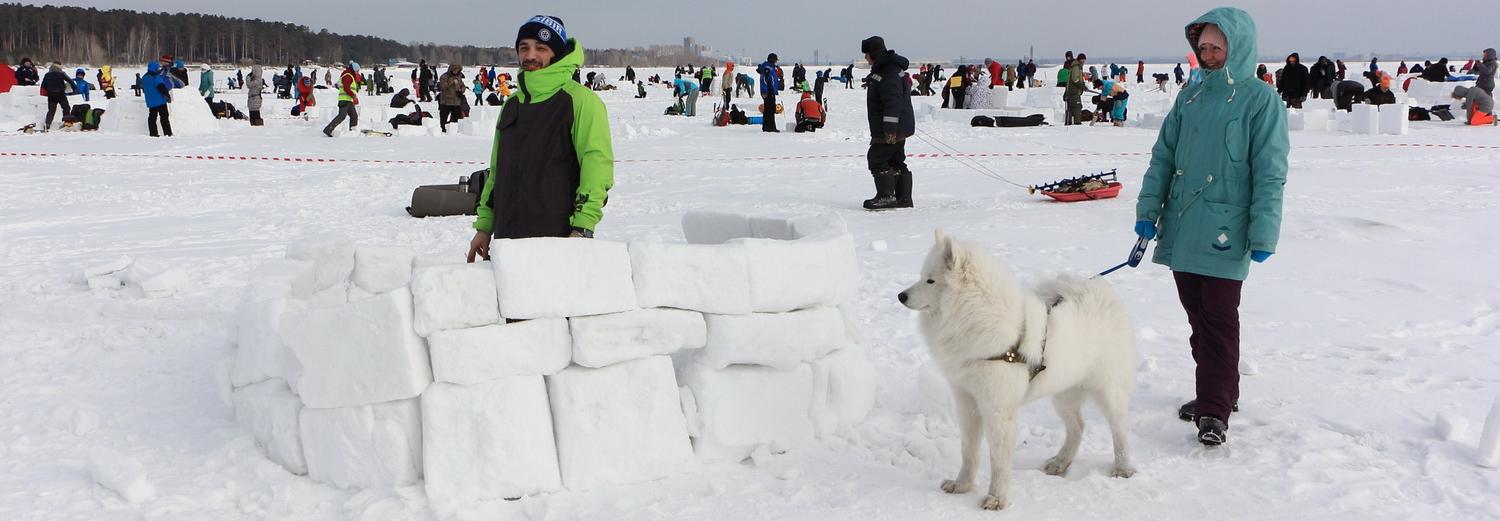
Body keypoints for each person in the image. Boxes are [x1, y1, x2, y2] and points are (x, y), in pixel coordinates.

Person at [1134, 7, 1288, 447]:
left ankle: (1214, 411)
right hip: (1183, 224)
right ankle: (1220, 391)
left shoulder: (1261, 99)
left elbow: (1271, 170)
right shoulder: (1191, 96)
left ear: (1236, 49)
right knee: (1198, 317)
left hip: (1228, 228)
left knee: (1219, 319)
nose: (1208, 54)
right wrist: (1148, 212)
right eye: (1202, 47)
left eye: (1216, 47)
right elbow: (1163, 156)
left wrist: (1263, 231)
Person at [466, 14, 615, 261]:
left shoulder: (581, 101)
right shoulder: (511, 104)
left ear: (556, 53)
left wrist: (582, 227)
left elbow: (596, 167)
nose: (530, 55)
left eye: (541, 48)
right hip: (507, 240)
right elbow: (497, 171)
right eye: (524, 48)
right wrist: (484, 227)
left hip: (558, 241)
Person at [859, 36, 916, 211]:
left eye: (866, 54)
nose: (865, 58)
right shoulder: (887, 68)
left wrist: (889, 130)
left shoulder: (888, 71)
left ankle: (886, 197)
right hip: (900, 126)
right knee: (896, 160)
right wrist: (872, 81)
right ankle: (903, 198)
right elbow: (888, 87)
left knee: (877, 159)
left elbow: (893, 101)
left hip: (891, 128)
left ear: (873, 53)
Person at [322, 62, 363, 136]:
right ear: (353, 69)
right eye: (357, 71)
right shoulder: (348, 75)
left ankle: (353, 132)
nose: (357, 72)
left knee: (354, 116)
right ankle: (328, 129)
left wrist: (353, 96)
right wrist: (353, 95)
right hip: (344, 99)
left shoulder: (350, 75)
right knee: (342, 116)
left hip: (348, 100)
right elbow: (346, 88)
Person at [140, 61, 180, 137]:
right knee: (164, 116)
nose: (159, 69)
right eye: (158, 68)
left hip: (150, 101)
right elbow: (161, 87)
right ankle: (168, 133)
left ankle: (153, 133)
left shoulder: (144, 77)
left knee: (152, 116)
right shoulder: (156, 77)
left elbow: (144, 89)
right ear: (155, 68)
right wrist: (167, 95)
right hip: (160, 100)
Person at [41, 63, 73, 130]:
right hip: (60, 94)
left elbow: (43, 86)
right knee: (66, 108)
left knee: (51, 111)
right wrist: (75, 88)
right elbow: (70, 81)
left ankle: (47, 124)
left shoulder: (47, 75)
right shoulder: (61, 74)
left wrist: (48, 91)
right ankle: (67, 122)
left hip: (51, 95)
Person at [437, 63, 466, 133]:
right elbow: (442, 87)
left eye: (457, 70)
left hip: (456, 102)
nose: (456, 71)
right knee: (443, 118)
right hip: (446, 101)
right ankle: (443, 130)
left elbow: (463, 86)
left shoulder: (459, 77)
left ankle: (454, 130)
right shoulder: (444, 76)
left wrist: (461, 91)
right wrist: (451, 82)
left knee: (456, 118)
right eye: (454, 70)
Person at [758, 53, 783, 132]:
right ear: (772, 60)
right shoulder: (767, 68)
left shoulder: (771, 67)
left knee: (769, 109)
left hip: (771, 91)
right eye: (775, 60)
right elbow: (764, 81)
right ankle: (770, 127)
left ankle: (767, 127)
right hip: (768, 91)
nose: (776, 62)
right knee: (770, 109)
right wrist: (764, 92)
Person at [1064, 55, 1087, 125]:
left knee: (1070, 107)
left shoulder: (1076, 66)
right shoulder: (1076, 67)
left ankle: (1069, 122)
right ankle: (1077, 123)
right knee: (1077, 106)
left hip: (1071, 90)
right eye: (1082, 60)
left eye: (1084, 60)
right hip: (1074, 90)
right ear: (1079, 60)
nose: (1083, 61)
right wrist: (1082, 86)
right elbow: (1075, 79)